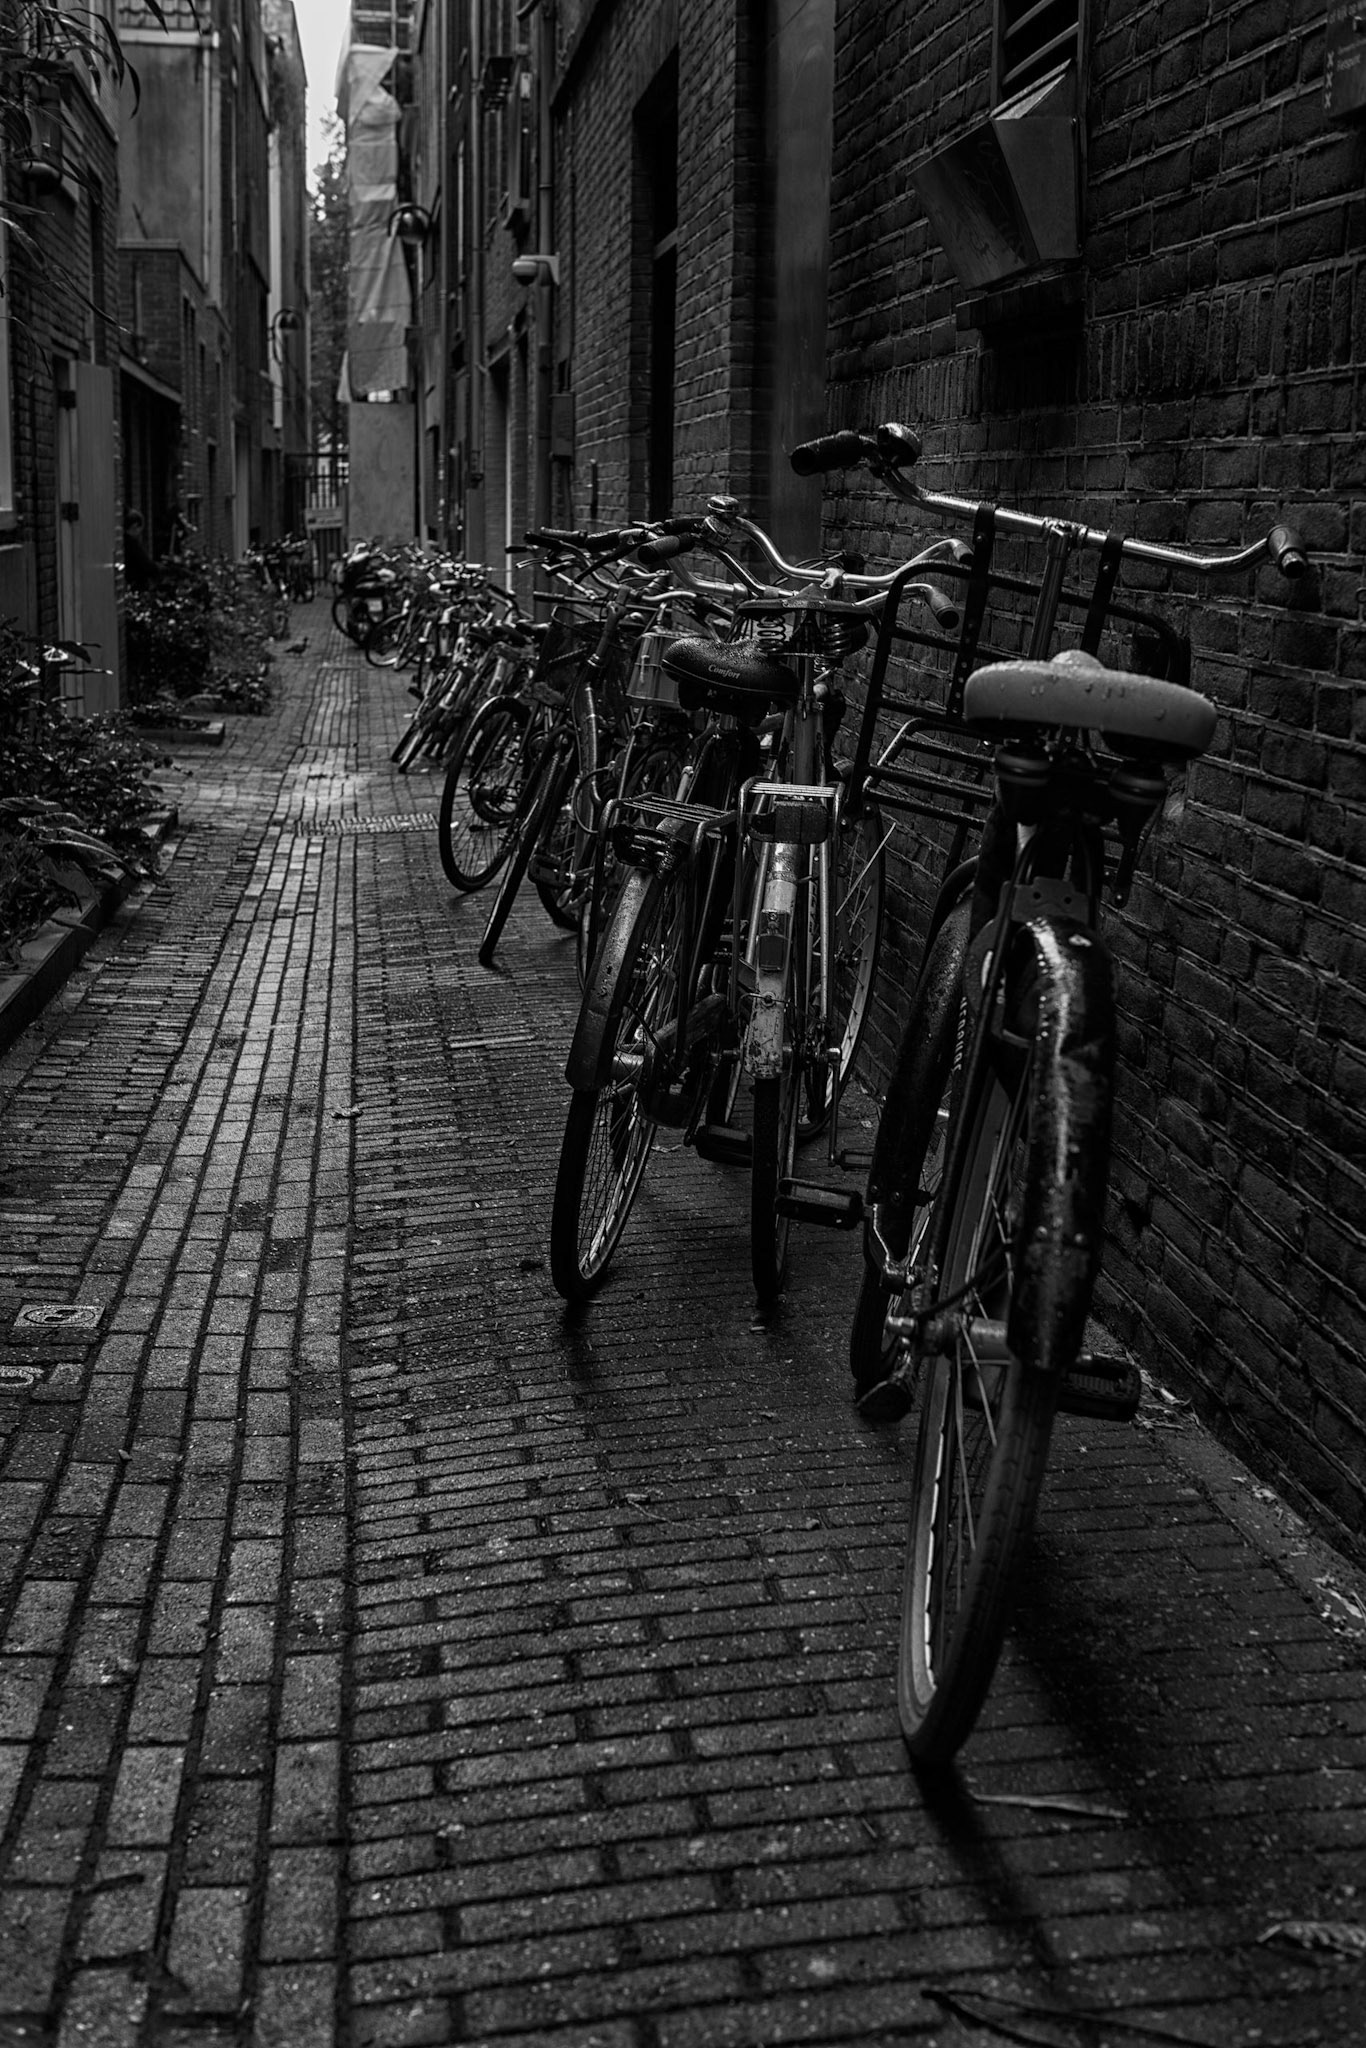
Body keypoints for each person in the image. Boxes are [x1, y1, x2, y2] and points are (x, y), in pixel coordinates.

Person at [123, 510, 157, 591]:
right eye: (139, 529)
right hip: (136, 585)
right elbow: (144, 562)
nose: (139, 533)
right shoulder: (131, 543)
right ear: (135, 526)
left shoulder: (124, 541)